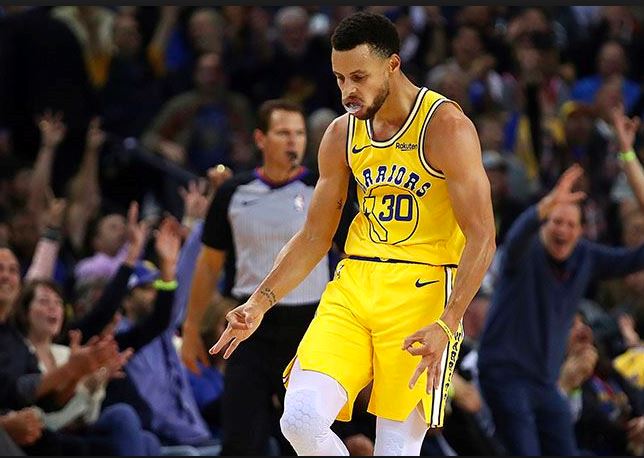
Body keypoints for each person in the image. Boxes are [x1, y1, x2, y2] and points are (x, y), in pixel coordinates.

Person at [210, 11, 496, 456]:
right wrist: (259, 302)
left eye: (359, 77)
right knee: (300, 420)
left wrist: (449, 320)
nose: (348, 91)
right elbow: (314, 236)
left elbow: (482, 236)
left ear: (393, 65)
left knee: (394, 450)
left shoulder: (446, 127)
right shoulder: (341, 133)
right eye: (340, 78)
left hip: (422, 293)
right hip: (355, 284)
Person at [181, 98, 353, 455]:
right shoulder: (233, 192)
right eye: (283, 133)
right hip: (249, 329)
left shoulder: (324, 189)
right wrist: (192, 328)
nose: (293, 141)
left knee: (305, 437)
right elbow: (209, 265)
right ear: (260, 139)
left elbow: (351, 254)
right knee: (240, 442)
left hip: (310, 328)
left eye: (299, 134)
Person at [476, 164, 644, 455]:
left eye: (570, 225)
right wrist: (546, 204)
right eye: (556, 222)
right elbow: (516, 238)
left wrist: (629, 162)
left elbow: (636, 258)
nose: (563, 230)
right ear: (543, 224)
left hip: (544, 383)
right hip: (504, 374)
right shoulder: (525, 251)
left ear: (581, 231)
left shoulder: (585, 256)